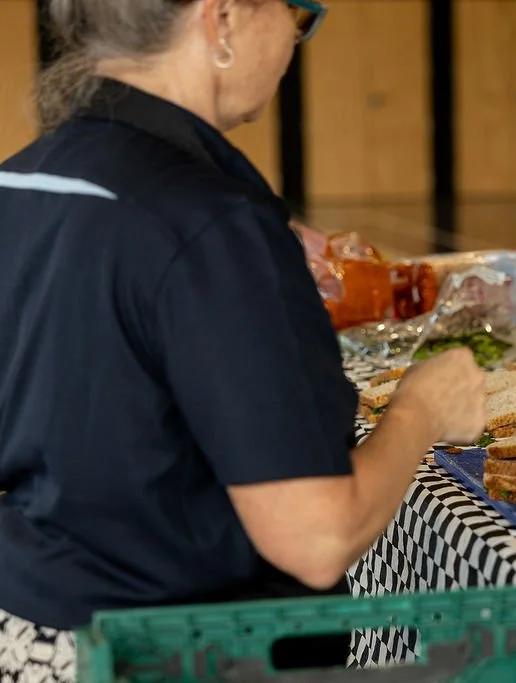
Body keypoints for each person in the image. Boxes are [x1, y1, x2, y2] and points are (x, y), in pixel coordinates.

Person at [0, 1, 486, 681]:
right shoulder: (209, 221)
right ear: (222, 18)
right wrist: (422, 408)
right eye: (298, 15)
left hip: (35, 637)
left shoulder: (24, 180)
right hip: (176, 653)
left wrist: (257, 299)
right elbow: (316, 538)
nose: (294, 40)